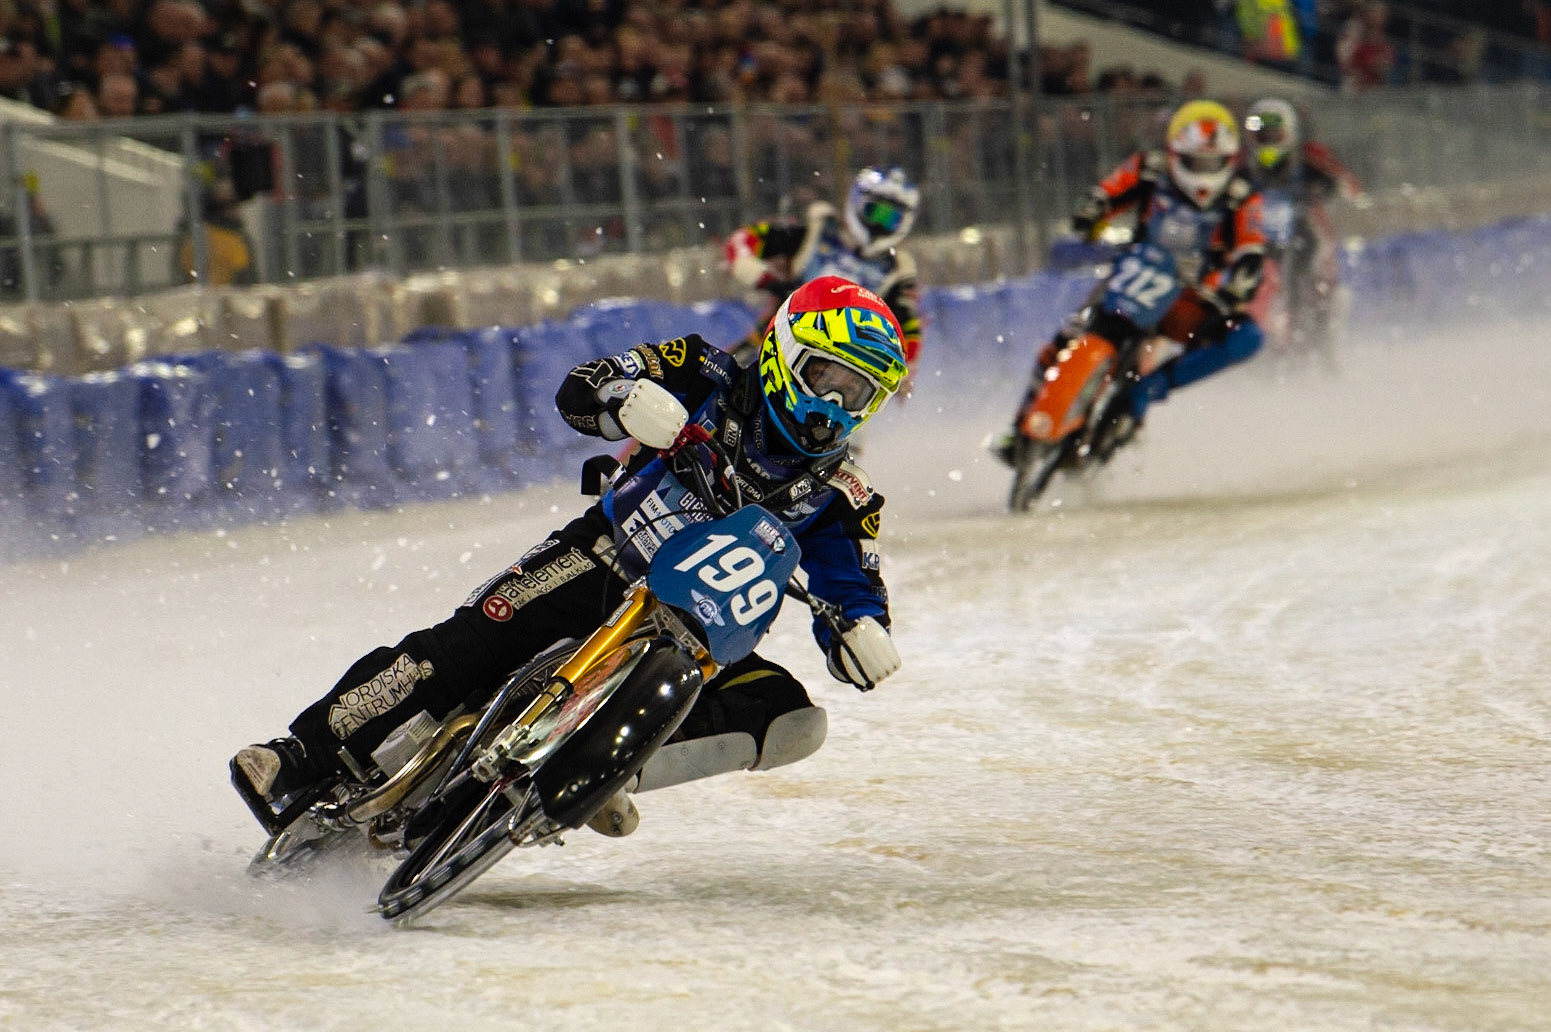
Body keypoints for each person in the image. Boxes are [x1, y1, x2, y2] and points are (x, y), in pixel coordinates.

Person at [231, 276, 906, 839]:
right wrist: (620, 399)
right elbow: (587, 383)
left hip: (699, 634)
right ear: (788, 351)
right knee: (468, 641)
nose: (833, 406)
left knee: (790, 717)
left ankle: (602, 764)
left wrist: (860, 628)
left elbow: (854, 585)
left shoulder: (842, 494)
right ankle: (301, 753)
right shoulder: (702, 369)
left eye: (857, 394)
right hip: (604, 557)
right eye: (826, 377)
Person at [993, 99, 1267, 462]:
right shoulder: (1149, 169)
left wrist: (1236, 292)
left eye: (1212, 164)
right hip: (1134, 275)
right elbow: (1107, 192)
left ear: (1229, 161)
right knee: (1065, 340)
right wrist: (1091, 212)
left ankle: (1149, 388)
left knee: (1246, 337)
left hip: (1193, 297)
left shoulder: (1242, 196)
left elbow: (1252, 249)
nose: (1203, 173)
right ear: (1174, 153)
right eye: (1195, 162)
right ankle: (1020, 430)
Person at [723, 166, 923, 376]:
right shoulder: (817, 227)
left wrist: (899, 370)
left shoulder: (897, 269)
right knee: (726, 381)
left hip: (842, 368)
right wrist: (762, 277)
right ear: (857, 202)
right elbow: (745, 239)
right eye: (874, 212)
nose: (879, 224)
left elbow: (908, 329)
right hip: (773, 343)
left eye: (891, 218)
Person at [1242, 98, 1361, 355]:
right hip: (1259, 237)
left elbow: (1348, 188)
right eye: (1262, 134)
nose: (1268, 140)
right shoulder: (1242, 165)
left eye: (1274, 133)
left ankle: (1320, 339)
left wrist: (1324, 184)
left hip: (1303, 232)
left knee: (1317, 278)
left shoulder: (1307, 159)